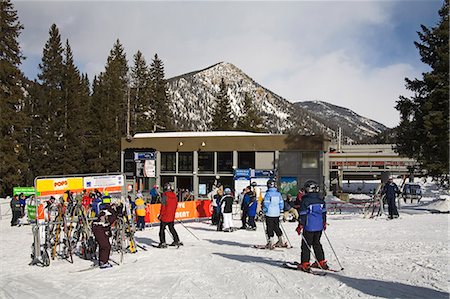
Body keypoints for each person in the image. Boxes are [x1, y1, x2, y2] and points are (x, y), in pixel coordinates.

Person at [296, 180, 328, 272]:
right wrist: (324, 222)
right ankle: (321, 261)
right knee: (317, 243)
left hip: (309, 226)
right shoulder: (320, 200)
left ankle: (305, 263)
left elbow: (303, 215)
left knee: (306, 245)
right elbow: (324, 213)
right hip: (319, 226)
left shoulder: (305, 201)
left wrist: (300, 225)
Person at [92, 204, 117, 269]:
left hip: (99, 228)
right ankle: (104, 262)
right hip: (99, 228)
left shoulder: (105, 211)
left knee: (103, 245)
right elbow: (108, 222)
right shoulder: (110, 213)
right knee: (106, 246)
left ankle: (102, 260)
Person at [263, 179, 286, 249]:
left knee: (269, 227)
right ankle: (281, 239)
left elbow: (266, 203)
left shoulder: (268, 194)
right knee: (276, 226)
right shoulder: (278, 194)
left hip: (269, 213)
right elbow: (281, 203)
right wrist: (280, 209)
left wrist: (264, 210)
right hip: (276, 213)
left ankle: (271, 242)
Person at [157, 183, 181, 248]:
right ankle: (176, 240)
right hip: (171, 216)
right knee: (171, 228)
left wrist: (160, 215)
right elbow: (176, 205)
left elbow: (163, 207)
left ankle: (163, 242)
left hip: (165, 216)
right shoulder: (175, 196)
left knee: (162, 230)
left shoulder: (165, 196)